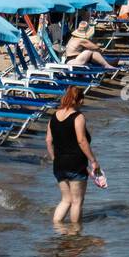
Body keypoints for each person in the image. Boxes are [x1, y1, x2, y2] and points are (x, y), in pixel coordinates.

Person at [45, 86, 106, 226]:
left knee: (66, 200)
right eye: (82, 99)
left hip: (59, 165)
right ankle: (75, 236)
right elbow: (81, 140)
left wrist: (55, 158)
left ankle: (57, 229)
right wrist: (94, 161)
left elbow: (48, 140)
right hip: (76, 164)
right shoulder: (78, 117)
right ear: (78, 100)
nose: (83, 103)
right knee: (77, 201)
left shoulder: (53, 116)